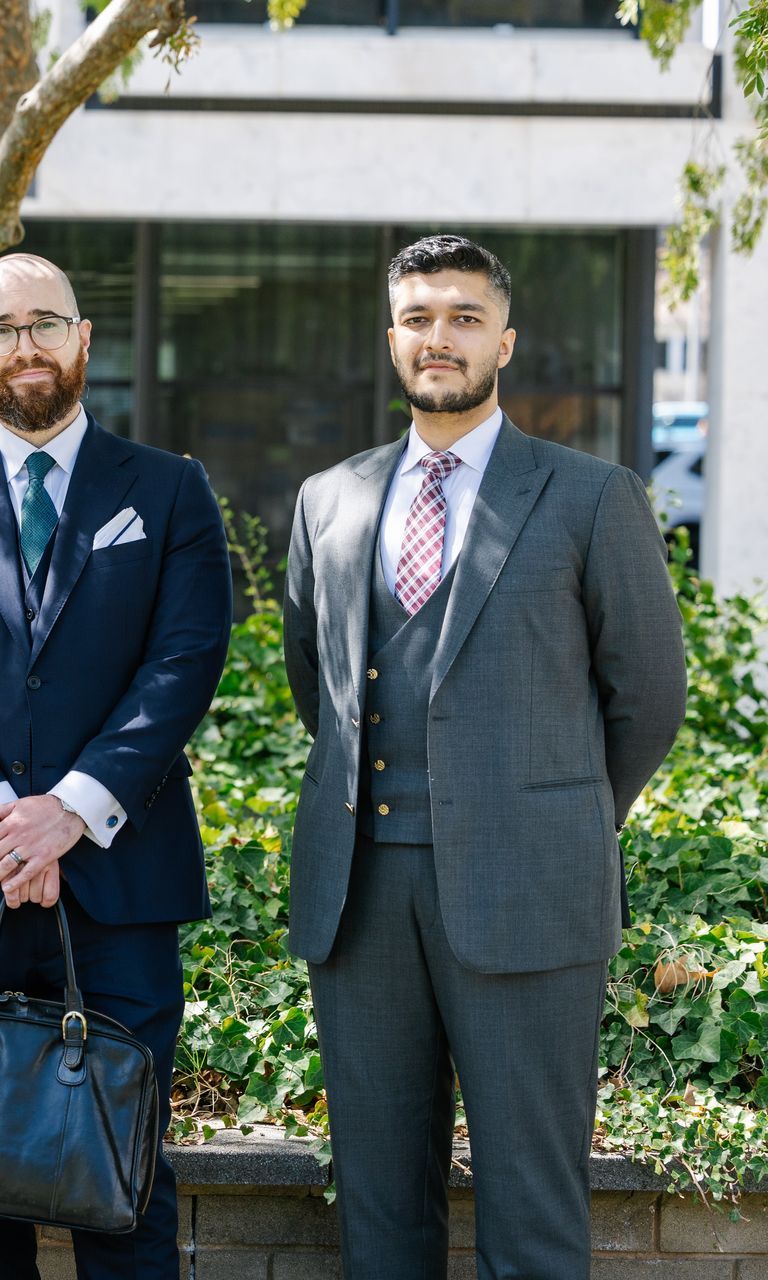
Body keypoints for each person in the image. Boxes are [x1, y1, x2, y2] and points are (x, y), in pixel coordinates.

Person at [282, 234, 687, 1276]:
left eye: (464, 316)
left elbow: (648, 697)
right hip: (360, 892)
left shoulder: (591, 495)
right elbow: (315, 684)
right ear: (392, 339)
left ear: (505, 339)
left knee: (535, 1206)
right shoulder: (329, 498)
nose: (439, 336)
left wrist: (555, 812)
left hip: (532, 887)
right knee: (378, 1204)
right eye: (418, 317)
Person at [0, 252, 233, 1279]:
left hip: (119, 875)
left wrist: (68, 810)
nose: (27, 345)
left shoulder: (168, 490)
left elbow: (185, 660)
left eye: (46, 322)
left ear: (84, 339)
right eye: (3, 327)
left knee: (124, 1176)